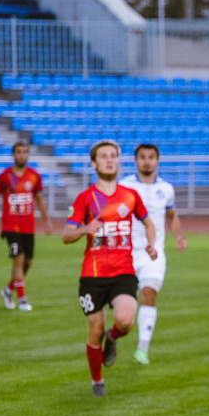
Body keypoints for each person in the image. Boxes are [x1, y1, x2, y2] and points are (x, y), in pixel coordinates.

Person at [62, 140, 157, 397]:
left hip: (123, 271)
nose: (109, 160)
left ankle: (113, 337)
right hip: (92, 275)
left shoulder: (130, 196)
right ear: (94, 164)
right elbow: (66, 235)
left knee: (126, 321)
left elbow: (149, 223)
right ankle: (97, 381)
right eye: (103, 156)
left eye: (113, 156)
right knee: (94, 330)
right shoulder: (86, 199)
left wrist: (150, 245)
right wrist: (84, 229)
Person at [119, 143, 187, 365]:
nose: (147, 161)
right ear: (135, 160)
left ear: (157, 161)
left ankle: (142, 349)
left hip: (153, 253)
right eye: (142, 157)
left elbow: (172, 215)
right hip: (126, 252)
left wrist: (178, 237)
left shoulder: (166, 189)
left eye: (151, 157)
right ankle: (113, 337)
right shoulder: (124, 186)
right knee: (122, 306)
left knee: (149, 293)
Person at [0, 142, 54, 311]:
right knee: (18, 259)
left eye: (25, 152)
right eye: (19, 152)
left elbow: (39, 199)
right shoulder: (4, 177)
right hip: (11, 225)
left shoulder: (35, 176)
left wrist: (47, 220)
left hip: (29, 226)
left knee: (28, 262)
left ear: (28, 155)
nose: (22, 155)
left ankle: (8, 290)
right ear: (13, 155)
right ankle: (22, 300)